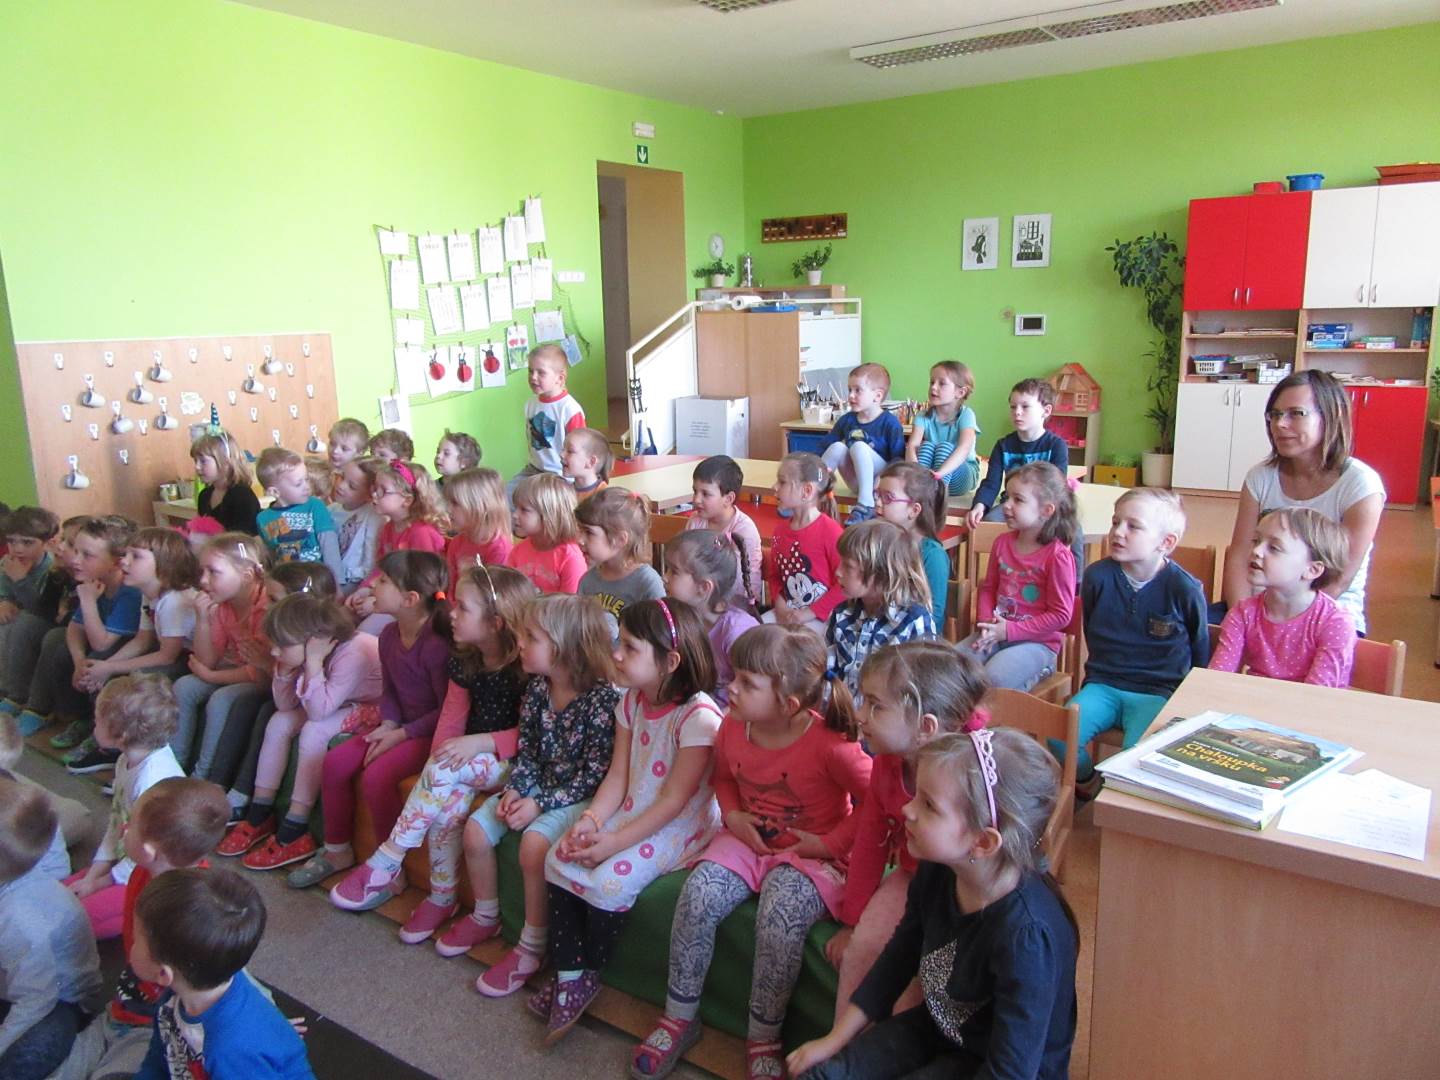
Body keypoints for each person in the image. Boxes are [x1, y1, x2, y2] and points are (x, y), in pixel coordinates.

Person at [632, 625, 872, 1080]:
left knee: (780, 917)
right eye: (735, 675)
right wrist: (734, 815)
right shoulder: (732, 726)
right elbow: (724, 778)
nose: (731, 687)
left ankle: (764, 1036)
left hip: (811, 856)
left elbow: (875, 801)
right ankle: (679, 1017)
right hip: (745, 841)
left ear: (789, 704)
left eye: (747, 682)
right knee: (698, 895)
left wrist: (829, 844)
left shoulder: (831, 744)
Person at [786, 731, 1078, 1080]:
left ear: (983, 842)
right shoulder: (937, 872)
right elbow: (897, 960)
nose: (906, 809)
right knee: (826, 1074)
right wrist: (834, 1041)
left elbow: (1010, 1071)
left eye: (928, 805)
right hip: (940, 1031)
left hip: (996, 1067)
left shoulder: (1027, 938)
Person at [540, 599, 723, 1040]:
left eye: (630, 647)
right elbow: (618, 778)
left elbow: (674, 802)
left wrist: (613, 843)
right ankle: (571, 977)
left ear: (670, 662)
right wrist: (591, 820)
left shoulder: (698, 718)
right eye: (619, 642)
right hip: (634, 808)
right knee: (557, 858)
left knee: (608, 884)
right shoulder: (631, 702)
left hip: (679, 825)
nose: (616, 654)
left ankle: (590, 970)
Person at [327, 564, 535, 921]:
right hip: (467, 762)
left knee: (444, 771)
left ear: (496, 623)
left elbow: (531, 734)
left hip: (515, 764)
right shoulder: (465, 660)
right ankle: (442, 897)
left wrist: (480, 743)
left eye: (463, 608)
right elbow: (451, 719)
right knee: (445, 816)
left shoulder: (524, 669)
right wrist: (436, 768)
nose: (451, 613)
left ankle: (389, 857)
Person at [448, 594, 618, 997]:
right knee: (475, 831)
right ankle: (486, 915)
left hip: (577, 795)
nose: (520, 644)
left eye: (531, 638)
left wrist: (539, 803)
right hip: (536, 783)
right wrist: (517, 789)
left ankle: (532, 946)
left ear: (566, 648)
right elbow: (527, 751)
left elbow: (594, 775)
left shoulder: (602, 701)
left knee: (534, 845)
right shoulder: (538, 689)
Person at [829, 642, 990, 1024]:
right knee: (860, 951)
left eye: (875, 705)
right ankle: (846, 1048)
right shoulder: (887, 764)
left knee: (918, 984)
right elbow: (869, 843)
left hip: (965, 888)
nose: (859, 714)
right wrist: (852, 922)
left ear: (926, 727)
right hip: (911, 876)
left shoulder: (974, 777)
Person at [316, 552, 453, 886]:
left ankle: (389, 869)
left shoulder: (436, 645)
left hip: (429, 733)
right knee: (335, 762)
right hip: (398, 726)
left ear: (410, 599)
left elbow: (446, 710)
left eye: (384, 581)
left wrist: (401, 734)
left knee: (377, 776)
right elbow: (389, 690)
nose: (373, 585)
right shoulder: (390, 635)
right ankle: (337, 850)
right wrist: (389, 723)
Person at [217, 594, 383, 869]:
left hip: (373, 707)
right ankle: (260, 810)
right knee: (279, 721)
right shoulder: (305, 653)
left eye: (281, 646)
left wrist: (314, 663)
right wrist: (285, 669)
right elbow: (285, 705)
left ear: (313, 641)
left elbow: (318, 712)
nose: (273, 652)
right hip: (334, 700)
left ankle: (296, 826)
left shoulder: (353, 652)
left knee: (314, 731)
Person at [1059, 488, 1209, 788]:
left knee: (1136, 757)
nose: (1118, 532)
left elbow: (1200, 644)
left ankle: (1115, 800)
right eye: (1116, 522)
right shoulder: (1097, 577)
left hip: (1156, 692)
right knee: (1058, 737)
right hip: (1103, 685)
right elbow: (1094, 629)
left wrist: (1185, 700)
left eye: (1133, 526)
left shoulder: (1184, 588)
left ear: (1166, 543)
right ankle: (1089, 783)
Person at [1220, 369, 1384, 635]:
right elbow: (1239, 555)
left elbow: (1339, 577)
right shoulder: (1260, 477)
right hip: (1260, 609)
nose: (1280, 424)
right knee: (1193, 633)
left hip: (1328, 617)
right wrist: (1242, 619)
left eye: (1296, 413)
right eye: (1275, 414)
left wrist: (1286, 629)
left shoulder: (1361, 485)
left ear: (1330, 417)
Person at [130, 868, 314, 1078]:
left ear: (164, 974)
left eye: (136, 940)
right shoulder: (175, 996)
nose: (131, 945)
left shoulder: (229, 1050)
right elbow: (159, 1059)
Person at [0, 777, 105, 1080]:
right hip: (17, 976)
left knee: (28, 1055)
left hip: (60, 1001)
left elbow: (37, 1000)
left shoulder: (22, 920)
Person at [64, 674, 183, 939]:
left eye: (97, 720)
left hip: (151, 878)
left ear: (122, 734)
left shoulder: (152, 780)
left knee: (75, 922)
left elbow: (150, 856)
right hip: (128, 859)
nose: (93, 725)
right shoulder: (125, 761)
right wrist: (93, 876)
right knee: (61, 895)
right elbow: (117, 823)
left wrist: (100, 882)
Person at [107, 777, 231, 1028]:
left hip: (159, 1010)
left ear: (148, 851)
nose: (124, 828)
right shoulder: (144, 869)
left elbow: (223, 970)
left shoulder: (196, 910)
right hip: (138, 973)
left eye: (131, 823)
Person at [960, 462, 1076, 692]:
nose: (1006, 505)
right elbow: (988, 588)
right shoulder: (1002, 543)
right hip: (996, 632)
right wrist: (988, 623)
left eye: (1018, 500)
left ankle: (1042, 671)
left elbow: (1061, 615)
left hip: (1037, 643)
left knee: (994, 680)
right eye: (1007, 497)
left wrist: (1009, 631)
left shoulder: (1058, 556)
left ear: (1046, 510)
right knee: (951, 668)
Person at [36, 515, 143, 764]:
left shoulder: (129, 591)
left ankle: (103, 737)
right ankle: (83, 719)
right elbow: (74, 628)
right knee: (61, 645)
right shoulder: (93, 582)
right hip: (103, 647)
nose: (75, 560)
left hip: (123, 652)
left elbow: (101, 643)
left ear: (116, 562)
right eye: (76, 551)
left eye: (87, 555)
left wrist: (87, 600)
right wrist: (78, 661)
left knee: (97, 657)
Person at [1211, 508, 1356, 686]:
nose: (1257, 551)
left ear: (1312, 569)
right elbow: (1217, 679)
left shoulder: (1335, 621)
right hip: (1253, 700)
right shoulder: (1243, 613)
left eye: (1274, 548)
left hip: (1305, 704)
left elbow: (1316, 695)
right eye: (1256, 541)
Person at [170, 533, 272, 781]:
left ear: (246, 575)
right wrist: (203, 619)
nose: (203, 580)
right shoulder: (224, 605)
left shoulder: (267, 606)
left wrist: (211, 676)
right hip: (238, 670)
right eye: (202, 571)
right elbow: (207, 660)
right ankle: (174, 765)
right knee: (184, 686)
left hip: (266, 678)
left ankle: (204, 776)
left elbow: (258, 672)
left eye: (213, 572)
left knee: (221, 699)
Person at [825, 520, 936, 696]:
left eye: (848, 566)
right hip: (842, 710)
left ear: (881, 572)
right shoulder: (841, 614)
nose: (838, 572)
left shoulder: (913, 621)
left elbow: (921, 691)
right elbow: (829, 674)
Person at [663, 529, 758, 706]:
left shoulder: (736, 632)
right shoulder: (680, 616)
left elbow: (753, 697)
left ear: (704, 587)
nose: (665, 577)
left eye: (674, 571)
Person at [346, 460, 448, 622]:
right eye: (375, 488)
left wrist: (377, 600)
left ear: (406, 500)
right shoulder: (389, 528)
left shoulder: (421, 533)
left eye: (383, 491)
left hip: (413, 608)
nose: (374, 495)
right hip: (390, 598)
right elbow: (381, 568)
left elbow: (423, 584)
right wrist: (365, 589)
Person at [966, 378, 1070, 528]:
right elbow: (991, 484)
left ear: (1046, 411)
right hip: (1011, 505)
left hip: (1042, 508)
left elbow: (1057, 487)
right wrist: (979, 506)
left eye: (1025, 407)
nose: (1017, 412)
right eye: (1013, 407)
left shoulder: (1056, 446)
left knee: (1070, 528)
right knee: (987, 523)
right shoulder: (1003, 446)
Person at [764, 452, 844, 635]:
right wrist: (780, 603)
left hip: (821, 618)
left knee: (792, 644)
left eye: (782, 482)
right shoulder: (780, 531)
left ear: (806, 491)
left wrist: (810, 613)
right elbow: (775, 576)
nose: (774, 487)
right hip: (787, 613)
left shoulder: (831, 532)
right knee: (752, 635)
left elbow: (844, 585)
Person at [820, 363, 906, 525]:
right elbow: (825, 446)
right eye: (849, 390)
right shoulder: (847, 420)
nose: (851, 395)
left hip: (879, 484)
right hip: (857, 481)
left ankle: (866, 505)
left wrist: (882, 479)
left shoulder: (890, 423)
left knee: (858, 446)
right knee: (837, 447)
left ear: (877, 396)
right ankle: (811, 492)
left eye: (858, 390)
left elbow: (898, 460)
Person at [576, 487, 665, 641]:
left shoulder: (647, 582)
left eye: (589, 532)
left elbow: (659, 639)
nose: (580, 540)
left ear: (620, 539)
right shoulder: (587, 581)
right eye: (580, 531)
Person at [875, 461, 951, 630]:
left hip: (916, 640)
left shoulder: (933, 555)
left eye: (887, 497)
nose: (878, 503)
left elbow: (934, 616)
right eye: (877, 495)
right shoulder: (880, 544)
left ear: (914, 510)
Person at [0, 506, 60, 721]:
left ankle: (16, 695)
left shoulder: (51, 569)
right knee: (6, 625)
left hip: (43, 623)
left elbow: (41, 610)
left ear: (46, 543)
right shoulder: (8, 563)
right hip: (18, 620)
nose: (17, 549)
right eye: (11, 541)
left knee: (20, 625)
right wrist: (4, 600)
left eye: (27, 542)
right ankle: (6, 691)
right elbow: (4, 590)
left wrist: (20, 581)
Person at [684, 455, 762, 610]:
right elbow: (686, 561)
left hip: (738, 606)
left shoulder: (743, 529)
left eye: (705, 494)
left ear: (728, 499)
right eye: (695, 491)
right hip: (702, 598)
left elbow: (735, 581)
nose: (696, 499)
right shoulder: (695, 521)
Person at [254, 446, 342, 580]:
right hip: (287, 581)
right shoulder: (263, 518)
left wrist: (337, 581)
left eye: (306, 479)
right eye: (298, 484)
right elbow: (272, 555)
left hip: (318, 578)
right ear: (274, 492)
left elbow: (329, 546)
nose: (307, 487)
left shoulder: (315, 506)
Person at [512, 344, 586, 496]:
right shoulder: (530, 404)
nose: (533, 377)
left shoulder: (569, 409)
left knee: (542, 503)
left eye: (541, 373)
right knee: (507, 496)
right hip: (534, 470)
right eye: (531, 371)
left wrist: (577, 482)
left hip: (560, 475)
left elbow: (581, 450)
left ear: (560, 378)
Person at [906, 360, 981, 498]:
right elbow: (912, 446)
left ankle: (938, 495)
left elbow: (964, 448)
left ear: (960, 392)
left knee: (945, 447)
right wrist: (916, 472)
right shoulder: (923, 415)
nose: (933, 387)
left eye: (942, 383)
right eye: (932, 382)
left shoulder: (966, 415)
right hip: (932, 476)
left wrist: (940, 474)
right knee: (927, 446)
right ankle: (923, 489)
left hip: (961, 473)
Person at [507, 471, 586, 594]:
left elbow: (572, 603)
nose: (515, 515)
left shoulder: (570, 557)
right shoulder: (518, 551)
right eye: (516, 508)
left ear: (549, 515)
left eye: (524, 510)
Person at [443, 466, 514, 587]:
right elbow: (451, 587)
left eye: (455, 503)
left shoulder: (499, 549)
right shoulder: (457, 543)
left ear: (481, 507)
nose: (448, 509)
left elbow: (495, 593)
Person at [190, 429, 260, 536]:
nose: (197, 467)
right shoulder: (204, 496)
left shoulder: (242, 496)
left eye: (203, 461)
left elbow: (244, 539)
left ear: (225, 461)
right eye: (195, 461)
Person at [329, 456, 383, 595]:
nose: (341, 486)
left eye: (352, 486)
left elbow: (370, 561)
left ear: (370, 494)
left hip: (354, 581)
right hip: (328, 576)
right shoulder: (331, 510)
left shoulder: (374, 517)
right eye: (342, 477)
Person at [560, 427, 613, 500]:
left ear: (591, 462)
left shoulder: (605, 497)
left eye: (570, 451)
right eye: (563, 449)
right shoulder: (564, 493)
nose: (561, 454)